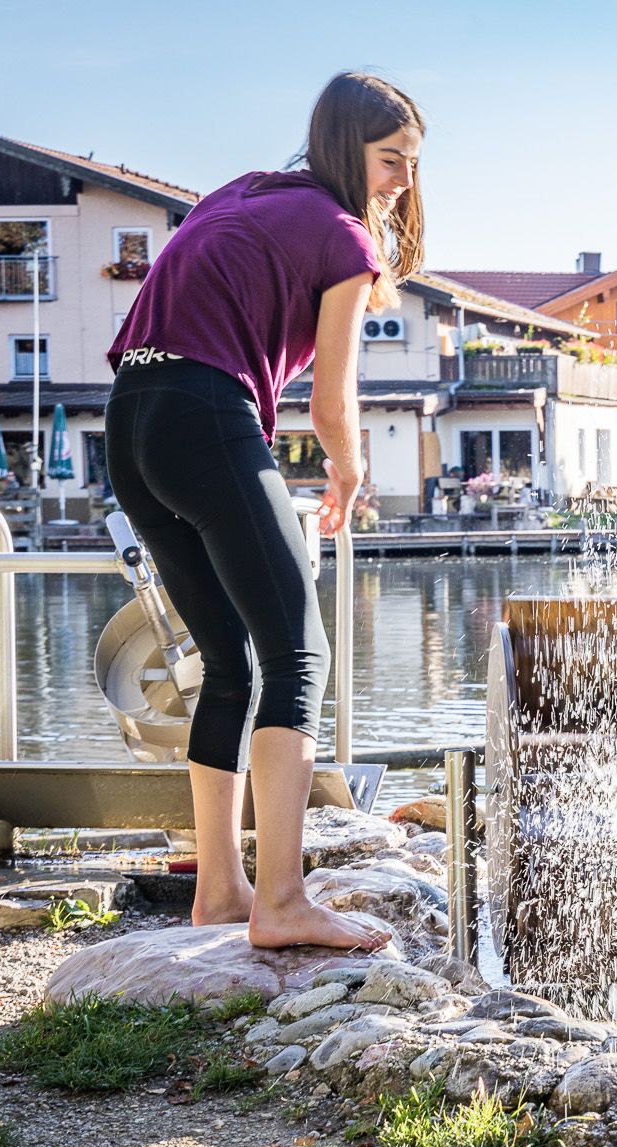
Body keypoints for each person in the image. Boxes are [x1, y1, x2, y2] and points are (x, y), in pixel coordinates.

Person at [104, 72, 426, 951]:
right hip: (205, 417)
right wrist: (350, 473)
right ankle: (281, 901)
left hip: (130, 420)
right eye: (391, 159)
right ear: (343, 147)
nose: (402, 179)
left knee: (231, 662)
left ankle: (220, 890)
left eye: (410, 163)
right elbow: (334, 397)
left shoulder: (243, 192)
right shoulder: (344, 237)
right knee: (300, 652)